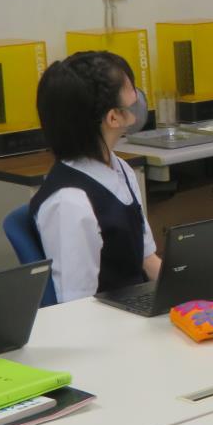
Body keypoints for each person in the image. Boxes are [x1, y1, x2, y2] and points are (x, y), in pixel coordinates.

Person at [28, 51, 159, 303]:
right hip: (108, 326)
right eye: (130, 89)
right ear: (113, 117)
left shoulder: (121, 169)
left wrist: (192, 292)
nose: (137, 96)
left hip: (138, 308)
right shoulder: (70, 202)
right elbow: (77, 304)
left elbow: (148, 260)